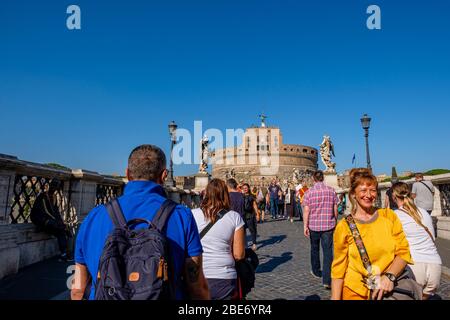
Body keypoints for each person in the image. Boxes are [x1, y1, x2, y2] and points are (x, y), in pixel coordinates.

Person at [71, 145, 210, 300]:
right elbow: (196, 287)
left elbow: (78, 288)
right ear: (164, 175)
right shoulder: (181, 216)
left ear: (127, 174)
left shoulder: (94, 216)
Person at [331, 168, 413, 300]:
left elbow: (403, 252)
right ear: (353, 194)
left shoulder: (388, 216)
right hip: (355, 291)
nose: (369, 195)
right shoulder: (344, 226)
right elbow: (338, 268)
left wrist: (390, 276)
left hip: (388, 289)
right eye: (363, 190)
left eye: (373, 190)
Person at [192, 179, 246, 300]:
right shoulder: (234, 217)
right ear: (226, 195)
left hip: (196, 274)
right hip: (224, 277)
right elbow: (239, 255)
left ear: (205, 194)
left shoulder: (191, 214)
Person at [392, 182, 442, 299]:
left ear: (394, 197)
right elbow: (432, 238)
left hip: (414, 265)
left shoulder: (395, 215)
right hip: (435, 265)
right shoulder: (424, 212)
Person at [303, 170, 338, 290]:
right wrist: (335, 220)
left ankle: (316, 271)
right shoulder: (331, 191)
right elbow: (335, 208)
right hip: (328, 225)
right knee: (328, 252)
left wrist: (305, 226)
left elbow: (306, 210)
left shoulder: (309, 193)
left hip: (313, 226)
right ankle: (327, 280)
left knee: (314, 248)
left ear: (314, 179)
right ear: (323, 178)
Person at [30, 178, 72, 261]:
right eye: (53, 185)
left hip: (50, 221)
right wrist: (50, 222)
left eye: (56, 186)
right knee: (60, 229)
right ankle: (64, 253)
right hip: (41, 221)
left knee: (64, 229)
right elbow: (39, 214)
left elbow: (56, 213)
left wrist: (61, 223)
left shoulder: (54, 197)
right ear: (49, 186)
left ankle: (65, 252)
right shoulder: (42, 197)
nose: (54, 188)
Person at [242, 183, 259, 251]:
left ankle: (254, 243)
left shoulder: (251, 196)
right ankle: (244, 244)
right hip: (243, 215)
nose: (245, 189)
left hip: (250, 215)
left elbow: (254, 205)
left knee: (252, 230)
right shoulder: (241, 196)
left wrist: (257, 214)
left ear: (248, 188)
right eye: (244, 188)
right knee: (243, 231)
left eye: (246, 188)